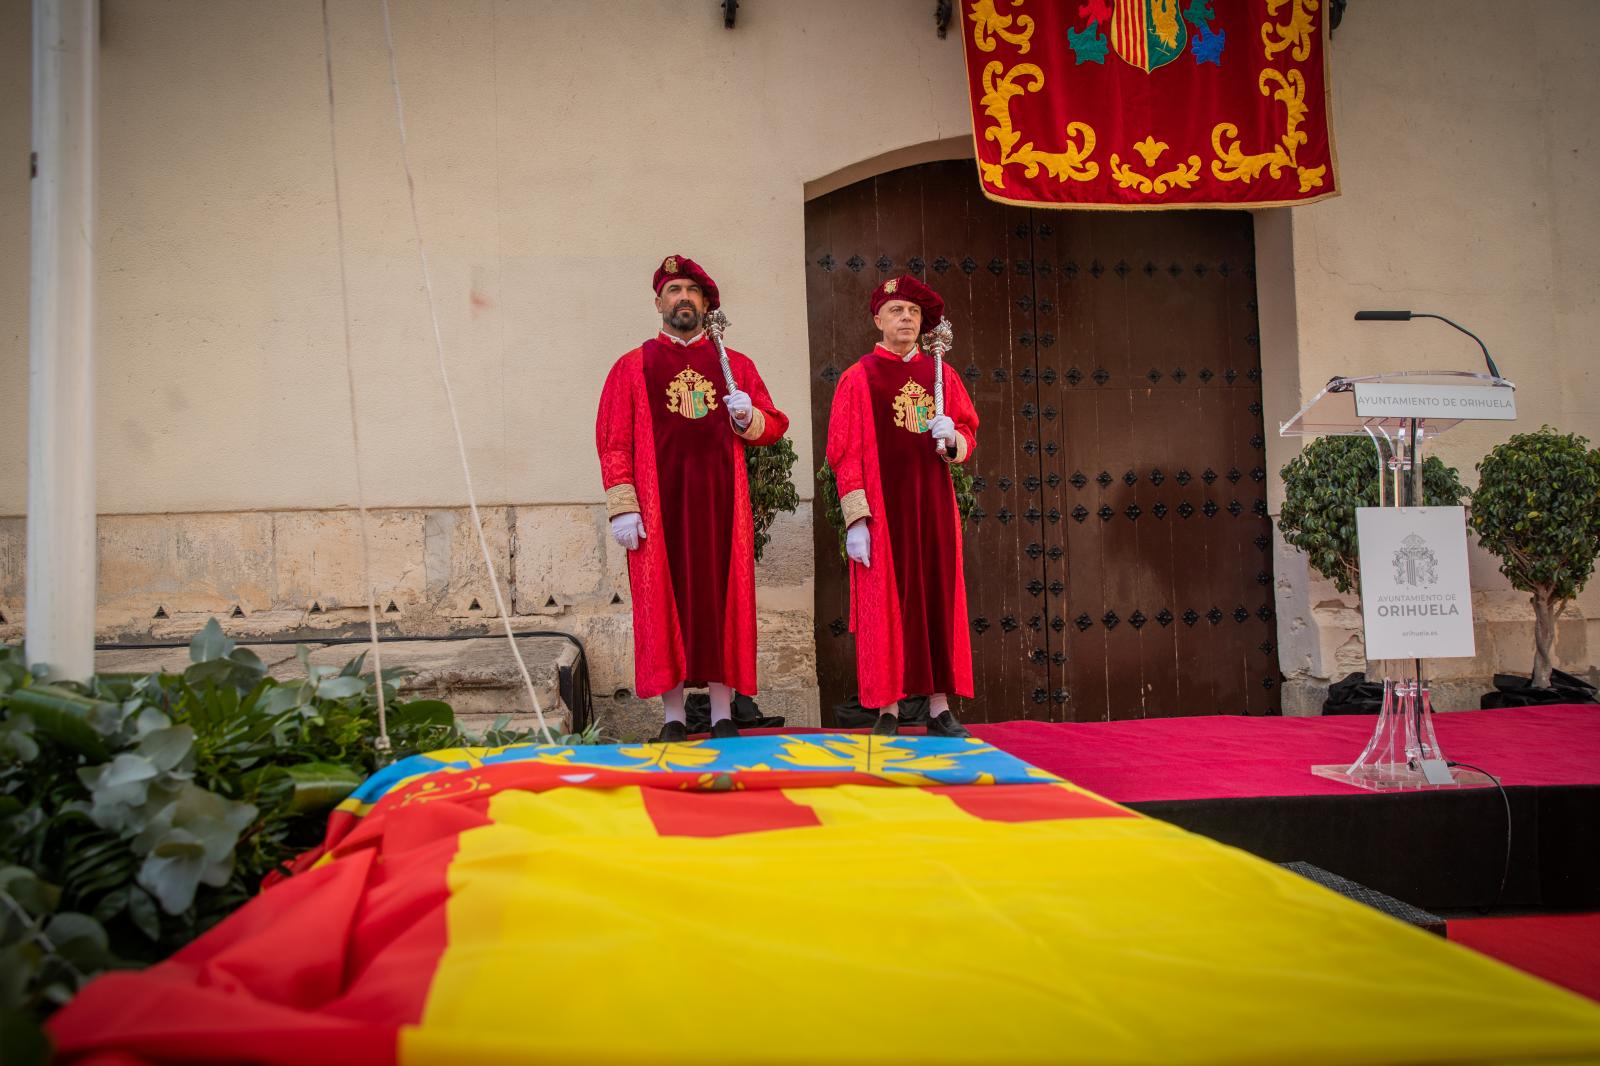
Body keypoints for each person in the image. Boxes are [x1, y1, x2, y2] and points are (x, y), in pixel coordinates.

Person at [595, 255, 789, 742]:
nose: (683, 298)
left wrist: (748, 419)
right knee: (666, 604)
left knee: (720, 604)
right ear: (659, 302)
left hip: (722, 507)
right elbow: (613, 440)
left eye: (692, 291)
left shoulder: (735, 364)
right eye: (674, 290)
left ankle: (723, 715)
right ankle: (674, 719)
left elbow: (773, 425)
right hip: (661, 512)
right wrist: (623, 505)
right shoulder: (632, 366)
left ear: (705, 303)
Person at [825, 274, 978, 738]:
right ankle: (888, 709)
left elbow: (969, 433)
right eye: (896, 311)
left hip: (932, 506)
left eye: (913, 312)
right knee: (884, 607)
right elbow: (843, 452)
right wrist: (857, 518)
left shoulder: (942, 375)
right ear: (878, 319)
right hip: (883, 513)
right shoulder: (858, 378)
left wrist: (952, 439)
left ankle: (939, 707)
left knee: (936, 600)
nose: (906, 318)